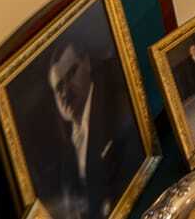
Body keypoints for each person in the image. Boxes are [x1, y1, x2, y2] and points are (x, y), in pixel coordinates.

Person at [40, 40, 143, 219]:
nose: (65, 92)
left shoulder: (117, 105)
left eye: (71, 74)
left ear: (86, 63)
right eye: (59, 87)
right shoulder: (67, 151)